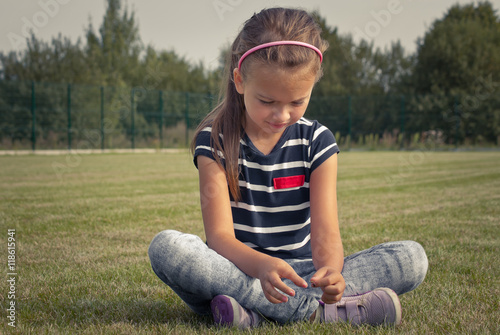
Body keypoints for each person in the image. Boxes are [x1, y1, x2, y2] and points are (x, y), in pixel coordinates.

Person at [148, 7, 428, 329]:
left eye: (297, 101)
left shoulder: (317, 141)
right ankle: (314, 312)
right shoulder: (214, 140)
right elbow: (220, 237)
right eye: (267, 101)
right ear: (239, 80)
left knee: (412, 258)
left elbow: (325, 232)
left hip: (302, 274)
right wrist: (263, 267)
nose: (281, 115)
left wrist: (332, 272)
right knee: (168, 248)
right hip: (239, 269)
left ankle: (252, 311)